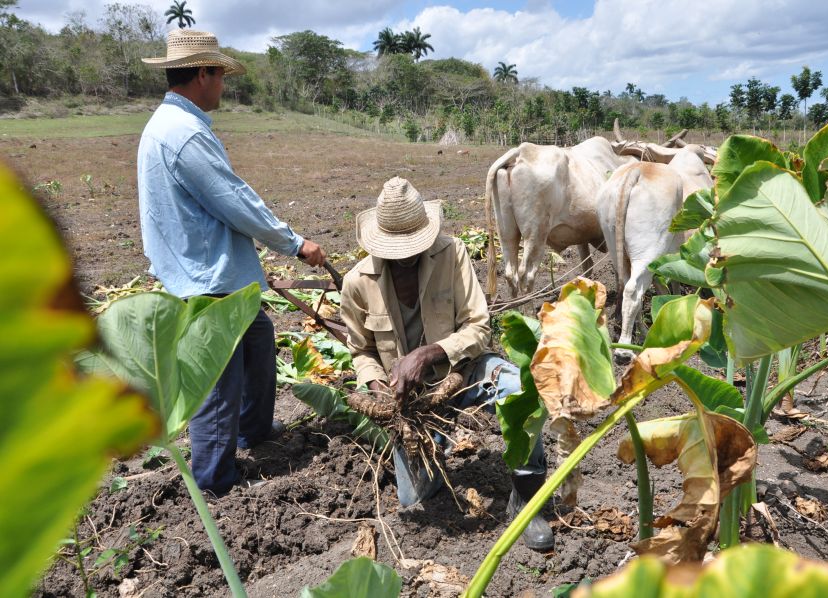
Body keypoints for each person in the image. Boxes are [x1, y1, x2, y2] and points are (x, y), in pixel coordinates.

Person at [137, 29, 326, 496]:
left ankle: (254, 432)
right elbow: (233, 200)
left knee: (259, 339)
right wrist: (295, 243)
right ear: (202, 73)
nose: (223, 84)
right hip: (206, 276)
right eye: (219, 75)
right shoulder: (183, 133)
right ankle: (214, 481)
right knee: (219, 382)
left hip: (207, 270)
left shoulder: (174, 124)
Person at [340, 176, 553, 551]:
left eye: (412, 248)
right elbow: (361, 351)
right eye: (396, 250)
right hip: (412, 404)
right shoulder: (357, 282)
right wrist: (379, 390)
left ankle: (528, 498)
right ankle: (430, 450)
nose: (405, 256)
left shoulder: (452, 255)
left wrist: (431, 353)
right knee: (414, 498)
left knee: (519, 389)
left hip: (464, 373)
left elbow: (479, 326)